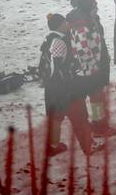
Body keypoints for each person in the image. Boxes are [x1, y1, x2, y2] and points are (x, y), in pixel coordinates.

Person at [41, 14, 100, 157]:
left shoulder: (48, 40)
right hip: (65, 88)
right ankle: (89, 146)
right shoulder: (59, 42)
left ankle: (52, 146)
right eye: (65, 22)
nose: (68, 24)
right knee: (79, 117)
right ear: (61, 25)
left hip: (52, 89)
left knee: (55, 118)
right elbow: (57, 68)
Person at [67, 0, 116, 137]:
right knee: (96, 98)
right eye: (94, 4)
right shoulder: (82, 24)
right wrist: (93, 65)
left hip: (88, 67)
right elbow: (82, 49)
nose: (97, 6)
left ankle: (90, 125)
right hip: (89, 69)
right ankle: (99, 128)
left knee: (92, 98)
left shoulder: (87, 18)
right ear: (87, 6)